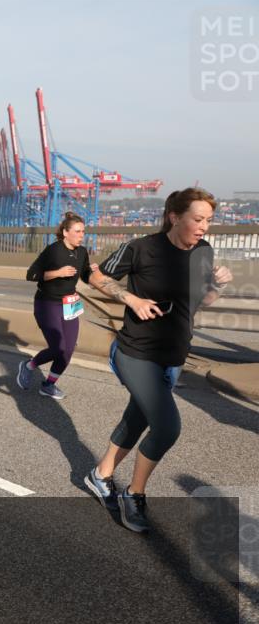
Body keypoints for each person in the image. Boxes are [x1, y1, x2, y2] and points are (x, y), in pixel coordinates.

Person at [83, 188, 233, 532]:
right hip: (136, 352)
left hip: (174, 355)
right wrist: (132, 299)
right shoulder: (141, 248)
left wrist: (218, 286)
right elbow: (96, 276)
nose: (204, 226)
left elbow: (200, 302)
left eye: (209, 220)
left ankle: (100, 475)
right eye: (198, 219)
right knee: (166, 427)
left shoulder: (204, 252)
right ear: (174, 217)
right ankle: (133, 495)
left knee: (138, 417)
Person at [17, 212, 95, 400]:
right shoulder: (53, 250)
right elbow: (31, 275)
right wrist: (57, 273)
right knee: (57, 348)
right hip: (47, 303)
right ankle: (28, 366)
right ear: (66, 232)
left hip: (69, 304)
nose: (81, 235)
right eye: (77, 231)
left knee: (68, 350)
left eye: (83, 232)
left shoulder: (82, 252)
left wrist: (92, 271)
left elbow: (85, 275)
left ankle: (48, 385)